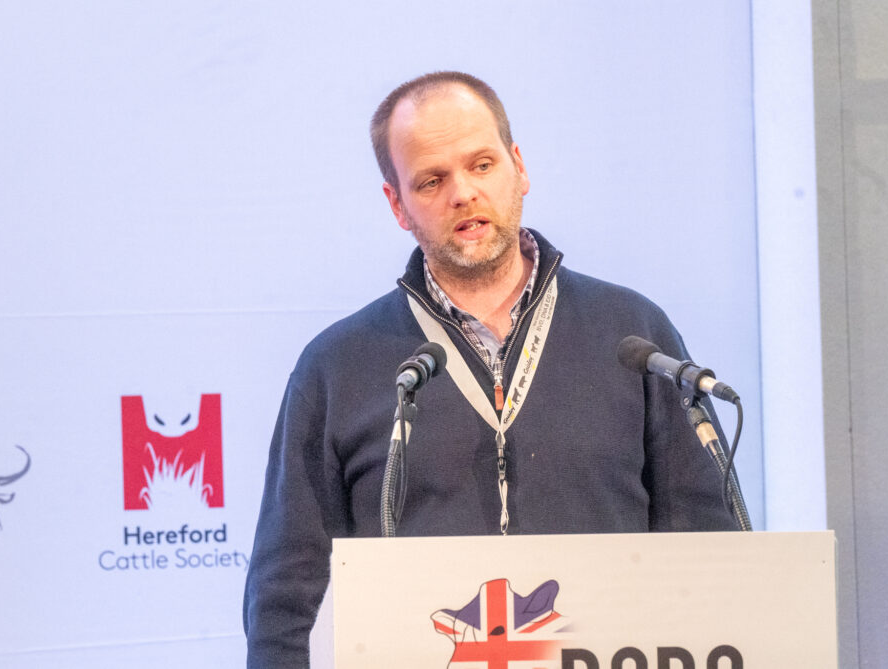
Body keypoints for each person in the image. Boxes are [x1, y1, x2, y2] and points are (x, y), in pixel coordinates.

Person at [243, 71, 739, 667]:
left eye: (481, 165)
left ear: (519, 166)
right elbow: (288, 598)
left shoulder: (631, 333)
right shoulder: (337, 365)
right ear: (397, 204)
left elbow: (710, 550)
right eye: (432, 180)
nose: (463, 193)